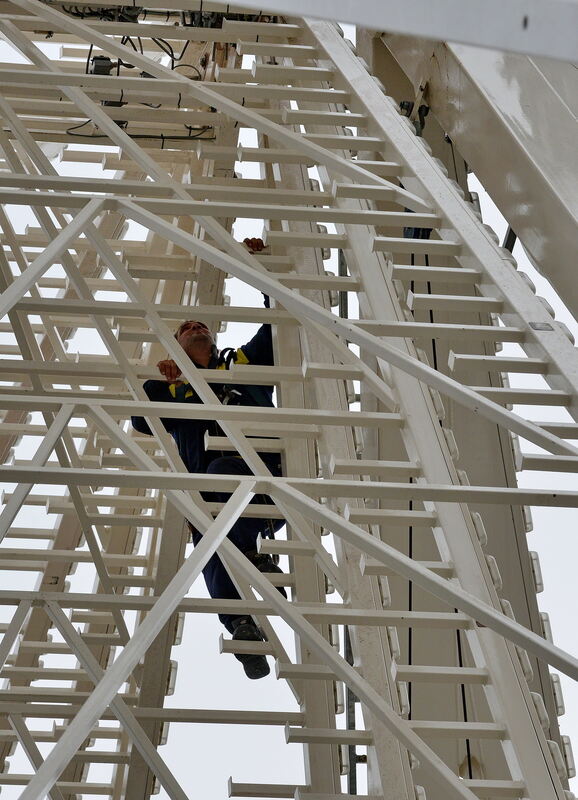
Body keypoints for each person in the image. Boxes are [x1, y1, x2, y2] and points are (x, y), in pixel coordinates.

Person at [131, 238, 285, 679]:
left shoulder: (239, 362)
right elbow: (144, 422)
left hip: (265, 467)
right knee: (209, 536)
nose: (196, 326)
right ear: (176, 345)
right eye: (186, 327)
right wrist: (172, 385)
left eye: (202, 324)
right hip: (220, 489)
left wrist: (262, 268)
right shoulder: (171, 389)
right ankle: (240, 624)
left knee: (218, 483)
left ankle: (253, 560)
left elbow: (277, 326)